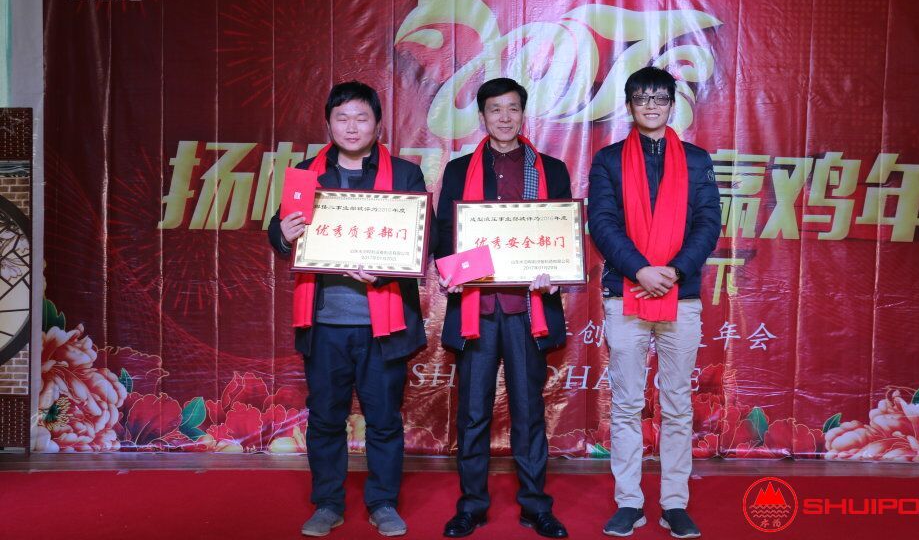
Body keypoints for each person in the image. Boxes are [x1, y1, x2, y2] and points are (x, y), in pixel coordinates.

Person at [268, 81, 432, 538]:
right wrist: (283, 232)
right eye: (342, 118)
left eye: (362, 118)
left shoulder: (405, 175)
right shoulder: (306, 174)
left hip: (385, 322)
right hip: (324, 323)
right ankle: (328, 503)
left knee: (384, 419)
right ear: (329, 124)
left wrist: (386, 269)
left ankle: (383, 503)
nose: (352, 127)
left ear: (378, 125)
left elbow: (426, 239)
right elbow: (279, 232)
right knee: (325, 418)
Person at [587, 67, 721, 539]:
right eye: (641, 98)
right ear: (629, 106)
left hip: (681, 295)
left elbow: (709, 222)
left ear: (671, 105)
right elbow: (602, 222)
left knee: (677, 404)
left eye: (659, 98)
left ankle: (674, 503)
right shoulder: (607, 161)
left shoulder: (697, 160)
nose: (650, 105)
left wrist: (676, 271)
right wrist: (640, 270)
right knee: (626, 405)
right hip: (626, 292)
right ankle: (629, 502)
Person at [435, 78, 570, 539]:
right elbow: (444, 234)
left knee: (528, 412)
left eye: (513, 108)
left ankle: (535, 506)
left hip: (528, 308)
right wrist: (453, 269)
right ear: (483, 116)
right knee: (473, 413)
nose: (505, 117)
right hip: (476, 308)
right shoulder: (459, 170)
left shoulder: (551, 169)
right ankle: (471, 505)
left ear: (523, 113)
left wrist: (556, 269)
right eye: (495, 109)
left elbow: (562, 234)